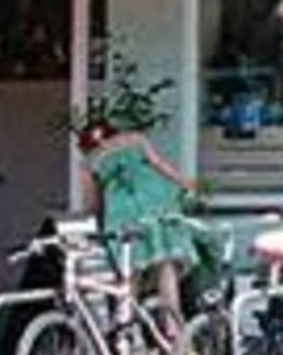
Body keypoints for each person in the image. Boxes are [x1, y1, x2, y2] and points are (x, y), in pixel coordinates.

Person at [76, 114, 205, 338]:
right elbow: (160, 165)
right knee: (166, 265)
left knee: (129, 272)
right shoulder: (135, 139)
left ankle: (128, 333)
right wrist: (187, 184)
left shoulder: (88, 162)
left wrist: (92, 222)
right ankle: (173, 327)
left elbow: (91, 203)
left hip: (122, 212)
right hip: (156, 203)